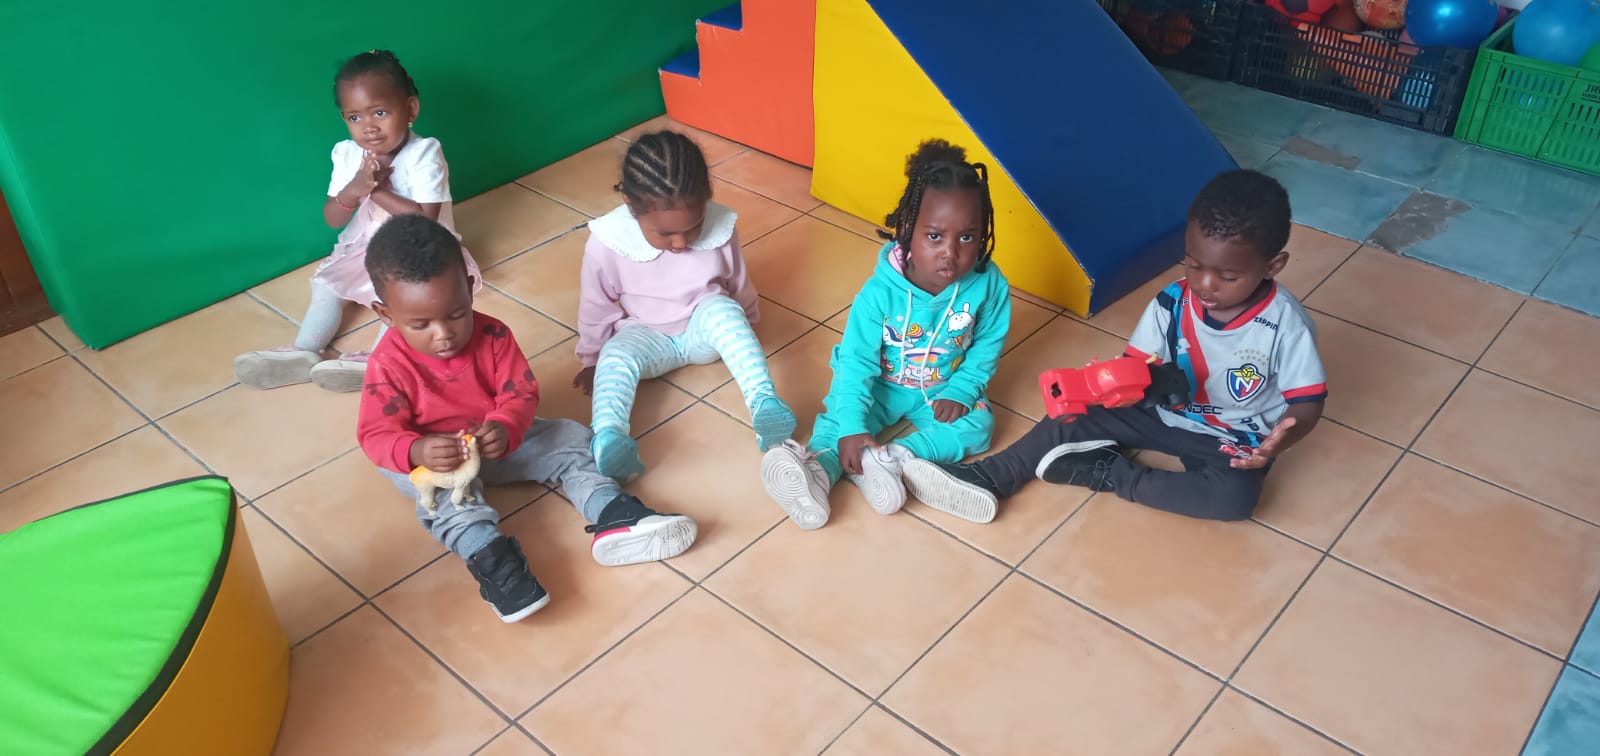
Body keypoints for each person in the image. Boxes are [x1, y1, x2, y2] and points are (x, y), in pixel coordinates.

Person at [900, 169, 1326, 523]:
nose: (1205, 284)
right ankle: (991, 476)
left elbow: (1306, 403)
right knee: (1072, 412)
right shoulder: (1172, 302)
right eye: (1194, 265)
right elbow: (1136, 365)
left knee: (1234, 499)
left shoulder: (1285, 326)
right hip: (1161, 414)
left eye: (1228, 276)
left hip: (1229, 437)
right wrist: (1115, 384)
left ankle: (1109, 473)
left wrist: (1278, 442)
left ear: (1272, 266)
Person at [357, 214, 695, 622]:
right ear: (385, 314)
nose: (443, 333)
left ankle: (614, 513)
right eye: (421, 324)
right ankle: (495, 564)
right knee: (446, 503)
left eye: (456, 314)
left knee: (570, 437)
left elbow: (519, 393)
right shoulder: (387, 364)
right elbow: (375, 434)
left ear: (469, 286)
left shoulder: (494, 336)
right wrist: (416, 450)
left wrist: (505, 425)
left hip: (492, 440)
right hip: (432, 463)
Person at [759, 139, 1011, 530]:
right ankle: (817, 473)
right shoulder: (879, 294)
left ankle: (891, 459)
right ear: (908, 229)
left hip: (943, 387)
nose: (950, 252)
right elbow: (856, 362)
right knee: (840, 424)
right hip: (881, 385)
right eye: (934, 236)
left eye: (966, 237)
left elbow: (988, 345)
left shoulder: (989, 285)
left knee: (979, 426)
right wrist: (854, 427)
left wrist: (962, 390)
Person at [234, 49, 482, 393]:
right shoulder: (347, 153)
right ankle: (305, 349)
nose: (369, 127)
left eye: (380, 112)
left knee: (407, 299)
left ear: (410, 109)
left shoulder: (424, 153)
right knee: (328, 287)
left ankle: (380, 360)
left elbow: (425, 220)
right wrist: (354, 188)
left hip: (423, 250)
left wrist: (375, 189)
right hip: (371, 242)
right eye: (355, 117)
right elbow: (332, 217)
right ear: (344, 118)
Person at [573, 130, 795, 481]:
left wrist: (745, 323)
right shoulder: (607, 243)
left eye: (693, 227)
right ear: (631, 205)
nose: (680, 242)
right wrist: (591, 359)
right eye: (665, 234)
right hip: (645, 336)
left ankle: (764, 404)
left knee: (725, 311)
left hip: (702, 329)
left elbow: (738, 281)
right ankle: (609, 435)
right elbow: (596, 305)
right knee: (615, 355)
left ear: (706, 200)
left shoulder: (721, 229)